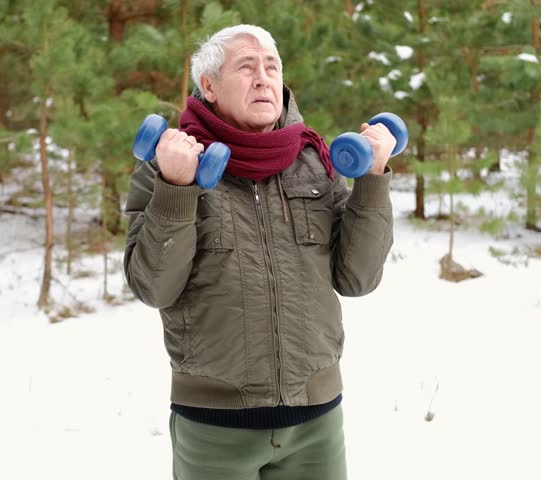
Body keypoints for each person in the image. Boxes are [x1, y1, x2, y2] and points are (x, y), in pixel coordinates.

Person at [124, 24, 395, 480]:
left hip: (316, 423)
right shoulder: (167, 165)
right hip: (215, 427)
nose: (263, 78)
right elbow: (154, 287)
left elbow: (358, 278)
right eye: (246, 67)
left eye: (272, 66)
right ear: (208, 85)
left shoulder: (315, 159)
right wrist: (175, 188)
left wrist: (374, 175)